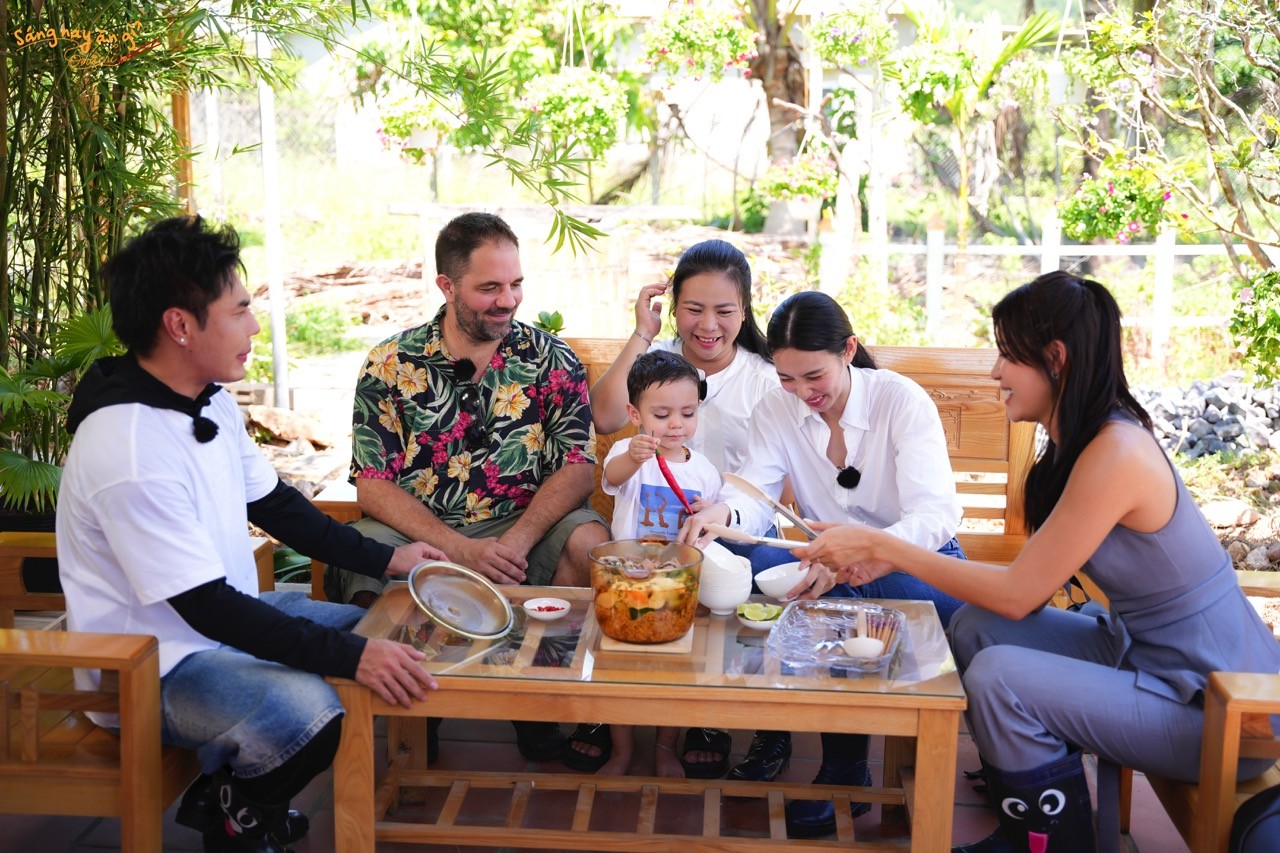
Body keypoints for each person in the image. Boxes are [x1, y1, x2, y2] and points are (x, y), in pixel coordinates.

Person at [793, 272, 1280, 853]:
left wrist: (880, 546)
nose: (995, 371)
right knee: (975, 627)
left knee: (1003, 678)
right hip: (1145, 656)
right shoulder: (1085, 441)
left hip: (1221, 705)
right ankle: (1025, 818)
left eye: (1006, 354)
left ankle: (1052, 842)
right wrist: (885, 553)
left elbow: (1021, 592)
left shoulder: (1117, 453)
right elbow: (1012, 594)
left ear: (1055, 358)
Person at [57, 216, 443, 853]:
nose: (255, 327)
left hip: (219, 624)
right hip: (148, 665)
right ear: (180, 325)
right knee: (309, 712)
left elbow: (281, 509)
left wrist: (391, 558)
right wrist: (353, 661)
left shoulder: (208, 399)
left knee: (374, 627)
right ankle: (237, 820)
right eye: (239, 311)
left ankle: (228, 801)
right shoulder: (128, 448)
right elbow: (205, 607)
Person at [680, 289, 967, 838]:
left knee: (831, 595)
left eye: (813, 377)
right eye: (787, 378)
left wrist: (865, 551)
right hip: (829, 567)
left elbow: (936, 517)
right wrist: (721, 511)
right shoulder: (777, 406)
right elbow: (756, 496)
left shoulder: (899, 400)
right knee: (740, 554)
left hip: (922, 572)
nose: (800, 392)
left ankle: (845, 772)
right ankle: (812, 748)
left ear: (849, 350)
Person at [327, 211, 611, 762]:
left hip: (520, 525)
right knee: (364, 556)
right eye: (489, 288)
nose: (508, 300)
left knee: (586, 542)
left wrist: (518, 541)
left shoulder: (552, 359)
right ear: (447, 286)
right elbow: (373, 484)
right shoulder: (391, 364)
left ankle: (537, 705)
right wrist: (459, 548)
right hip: (420, 526)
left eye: (515, 284)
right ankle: (411, 711)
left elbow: (577, 465)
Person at [583, 238, 778, 773]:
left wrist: (724, 518)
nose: (707, 325)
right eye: (693, 309)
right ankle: (611, 710)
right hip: (649, 523)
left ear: (745, 311)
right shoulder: (657, 360)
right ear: (673, 309)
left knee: (730, 580)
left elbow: (770, 478)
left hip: (731, 524)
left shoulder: (764, 378)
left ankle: (709, 715)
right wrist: (642, 335)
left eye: (724, 310)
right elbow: (603, 418)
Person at [564, 351, 728, 777]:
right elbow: (613, 478)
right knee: (617, 665)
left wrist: (709, 508)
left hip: (677, 585)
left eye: (687, 413)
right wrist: (634, 457)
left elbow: (708, 523)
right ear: (634, 414)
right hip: (626, 579)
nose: (676, 424)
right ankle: (621, 749)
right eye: (662, 413)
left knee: (676, 667)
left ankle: (665, 746)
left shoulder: (705, 469)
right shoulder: (628, 452)